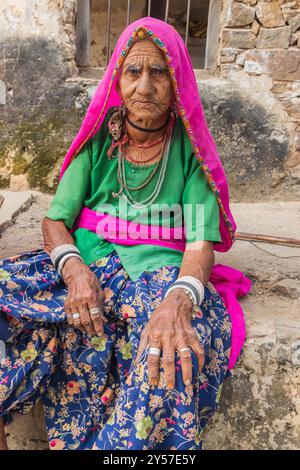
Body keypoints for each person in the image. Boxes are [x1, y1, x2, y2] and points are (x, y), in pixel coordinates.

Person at [0, 17, 251, 450]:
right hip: (89, 261)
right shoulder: (98, 140)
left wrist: (179, 300)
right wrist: (75, 270)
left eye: (160, 72)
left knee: (171, 350)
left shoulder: (190, 151)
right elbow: (56, 221)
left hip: (157, 272)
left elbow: (199, 245)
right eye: (133, 71)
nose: (145, 87)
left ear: (177, 82)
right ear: (118, 78)